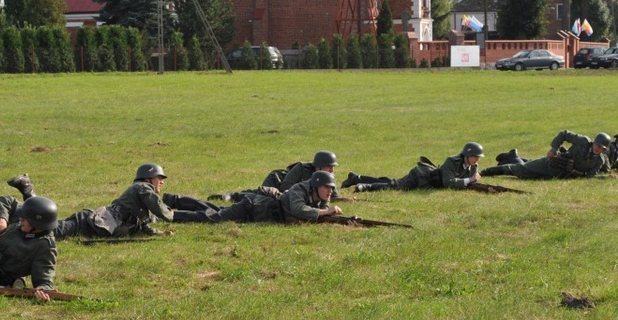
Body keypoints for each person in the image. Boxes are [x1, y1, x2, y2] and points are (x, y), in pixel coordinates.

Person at [0, 164, 218, 241]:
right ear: (149, 178)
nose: (162, 183)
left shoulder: (141, 202)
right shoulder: (143, 188)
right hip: (88, 222)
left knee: (42, 226)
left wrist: (158, 233)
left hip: (96, 224)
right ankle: (28, 193)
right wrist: (174, 215)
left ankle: (28, 193)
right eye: (160, 178)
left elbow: (143, 224)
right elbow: (161, 209)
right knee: (49, 231)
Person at [173, 171, 343, 224]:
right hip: (250, 207)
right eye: (327, 188)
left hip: (255, 213)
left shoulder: (320, 197)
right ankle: (172, 215)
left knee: (214, 210)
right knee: (213, 218)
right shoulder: (299, 190)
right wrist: (325, 212)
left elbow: (318, 212)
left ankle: (174, 200)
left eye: (331, 188)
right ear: (316, 186)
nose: (330, 192)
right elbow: (300, 209)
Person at [344, 142, 486, 192]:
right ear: (466, 155)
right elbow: (448, 182)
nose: (477, 159)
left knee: (391, 182)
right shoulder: (451, 161)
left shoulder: (473, 166)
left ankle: (357, 178)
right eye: (475, 156)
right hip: (421, 176)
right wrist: (470, 180)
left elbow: (470, 183)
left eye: (478, 157)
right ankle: (365, 186)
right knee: (395, 186)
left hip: (427, 182)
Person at [208, 150, 341, 201]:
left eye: (333, 167)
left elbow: (334, 197)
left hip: (291, 194)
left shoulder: (328, 178)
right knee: (261, 197)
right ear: (318, 166)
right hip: (277, 183)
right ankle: (231, 195)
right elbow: (285, 186)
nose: (332, 170)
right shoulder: (301, 168)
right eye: (329, 167)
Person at [480, 131, 610, 179]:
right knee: (518, 171)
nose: (598, 149)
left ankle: (513, 156)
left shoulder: (599, 161)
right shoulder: (583, 142)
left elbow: (590, 176)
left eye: (602, 148)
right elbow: (563, 134)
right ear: (594, 142)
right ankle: (484, 172)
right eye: (597, 145)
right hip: (551, 164)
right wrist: (553, 150)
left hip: (558, 175)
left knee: (525, 174)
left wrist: (605, 178)